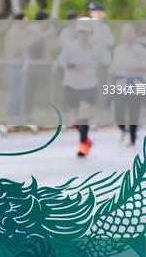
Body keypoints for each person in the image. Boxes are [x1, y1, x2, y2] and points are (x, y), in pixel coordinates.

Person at [55, 19, 111, 157]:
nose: (83, 35)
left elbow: (107, 61)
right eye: (80, 32)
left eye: (85, 32)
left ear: (91, 33)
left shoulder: (97, 49)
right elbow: (62, 63)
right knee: (76, 120)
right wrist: (73, 65)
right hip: (72, 84)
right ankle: (86, 139)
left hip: (89, 85)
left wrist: (104, 64)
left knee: (83, 116)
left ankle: (82, 146)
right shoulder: (70, 46)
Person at [111, 24, 146, 147]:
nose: (126, 35)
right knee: (118, 110)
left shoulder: (141, 50)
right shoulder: (118, 50)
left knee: (134, 111)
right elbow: (114, 65)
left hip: (136, 82)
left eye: (129, 32)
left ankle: (132, 136)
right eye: (124, 32)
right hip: (121, 82)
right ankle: (122, 129)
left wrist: (135, 67)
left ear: (134, 34)